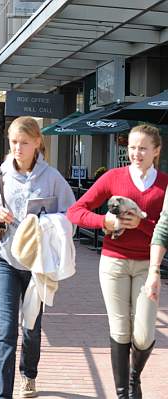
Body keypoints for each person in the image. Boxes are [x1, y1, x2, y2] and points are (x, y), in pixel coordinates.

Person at [0, 116, 75, 399]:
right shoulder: (1, 174)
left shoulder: (52, 178)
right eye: (14, 142)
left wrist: (53, 223)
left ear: (37, 143)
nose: (18, 148)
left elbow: (73, 216)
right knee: (6, 329)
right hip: (5, 260)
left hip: (38, 265)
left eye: (24, 143)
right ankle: (3, 394)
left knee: (31, 326)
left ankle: (28, 374)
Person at [67, 125, 167, 399]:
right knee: (120, 329)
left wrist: (142, 223)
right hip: (113, 263)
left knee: (144, 335)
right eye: (132, 147)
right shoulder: (113, 177)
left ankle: (134, 378)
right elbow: (75, 212)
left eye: (143, 148)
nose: (136, 153)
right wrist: (105, 222)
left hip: (148, 265)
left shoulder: (165, 184)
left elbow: (165, 228)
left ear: (156, 151)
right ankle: (124, 394)